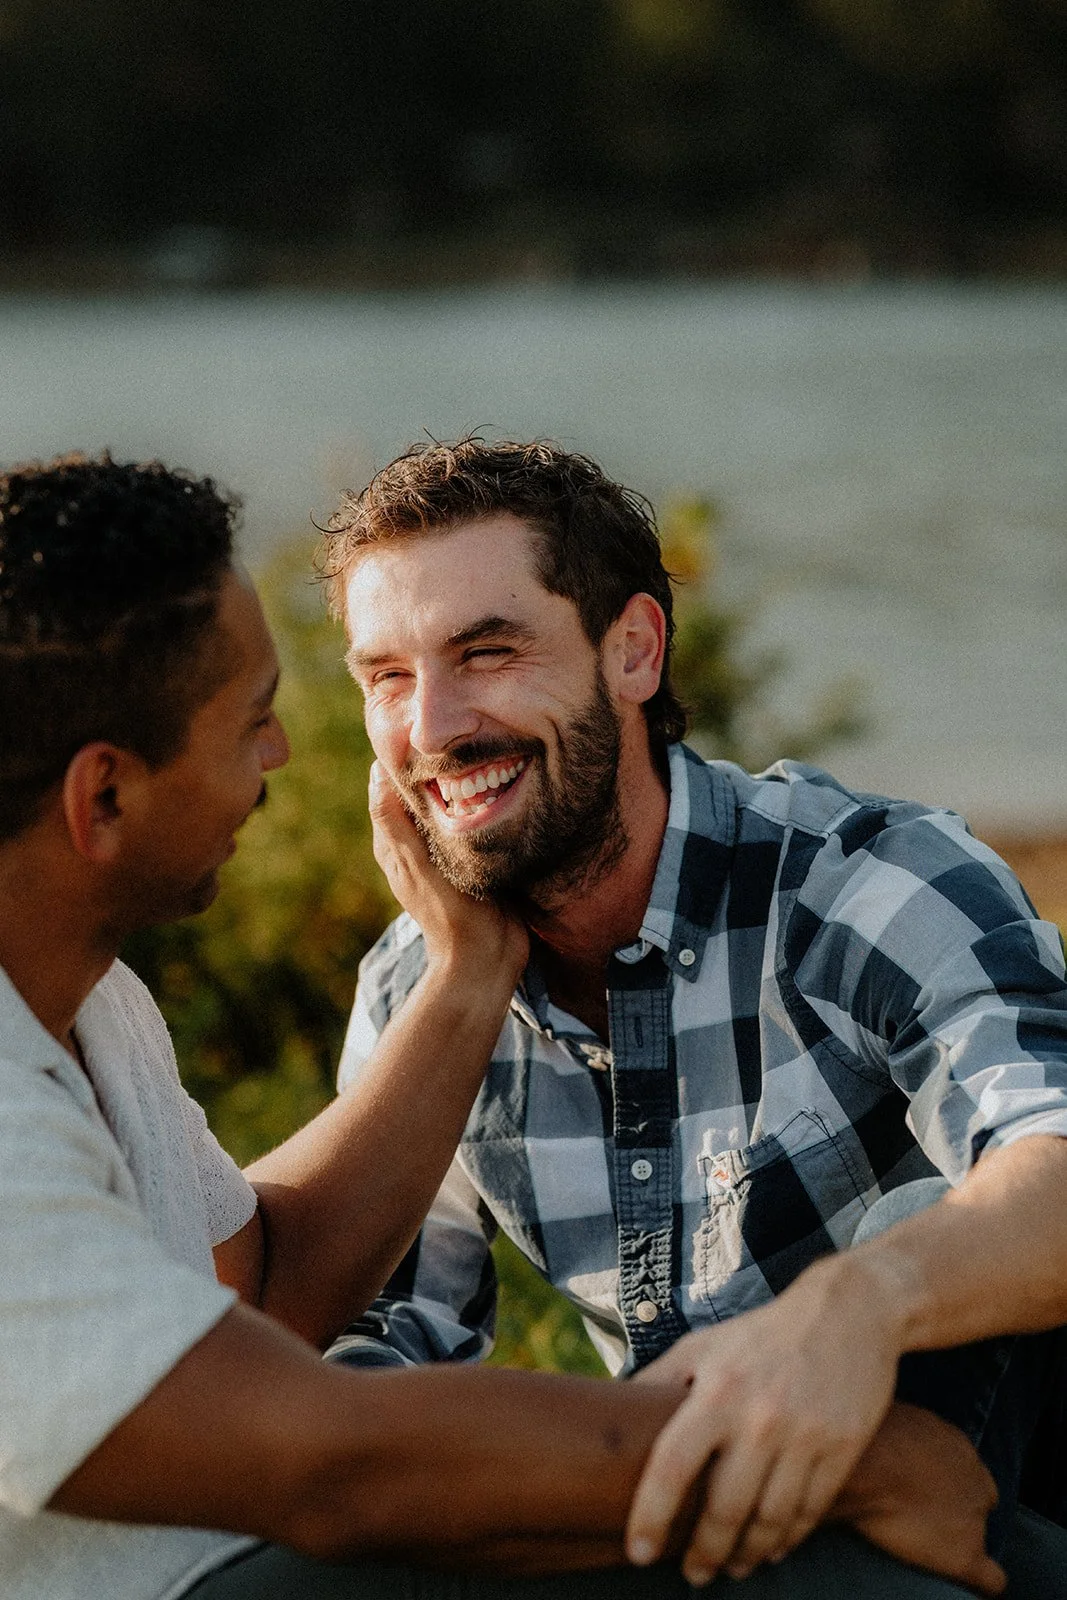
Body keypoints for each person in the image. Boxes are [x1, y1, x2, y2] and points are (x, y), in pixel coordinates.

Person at [0, 452, 1008, 1600]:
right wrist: (844, 1469)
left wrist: (468, 978)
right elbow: (333, 1456)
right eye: (254, 721)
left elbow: (261, 1286)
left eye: (486, 651)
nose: (288, 756)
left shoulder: (102, 1008)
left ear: (633, 648)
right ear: (103, 799)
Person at [320, 435, 1067, 1590]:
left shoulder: (861, 885)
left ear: (632, 650)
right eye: (386, 677)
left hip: (1006, 1497)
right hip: (701, 1513)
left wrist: (855, 1307)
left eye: (486, 651)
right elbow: (383, 1342)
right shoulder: (415, 989)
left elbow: (1055, 1156)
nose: (431, 727)